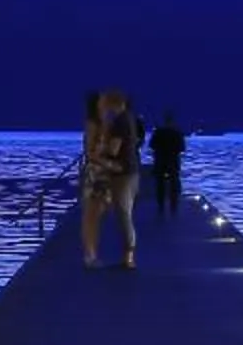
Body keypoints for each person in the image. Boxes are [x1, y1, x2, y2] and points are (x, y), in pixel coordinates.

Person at [80, 88, 139, 268]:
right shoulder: (93, 124)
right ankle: (90, 255)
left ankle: (94, 253)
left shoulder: (107, 122)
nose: (105, 104)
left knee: (100, 214)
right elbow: (90, 152)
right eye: (102, 100)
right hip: (97, 172)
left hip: (106, 173)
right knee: (92, 215)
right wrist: (107, 162)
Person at [150, 112, 186, 215]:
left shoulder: (158, 132)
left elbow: (152, 145)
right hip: (173, 162)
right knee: (174, 184)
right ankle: (174, 206)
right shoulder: (177, 132)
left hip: (160, 161)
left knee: (160, 185)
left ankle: (160, 206)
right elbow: (182, 148)